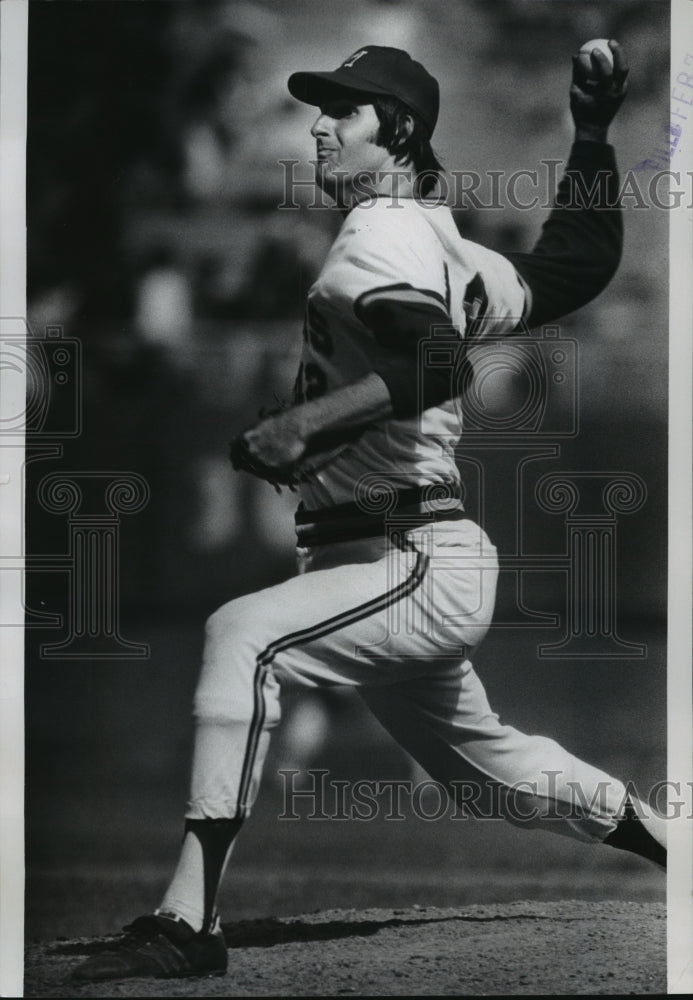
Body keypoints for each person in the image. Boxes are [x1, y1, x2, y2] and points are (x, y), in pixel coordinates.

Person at [73, 40, 666, 983]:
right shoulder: (441, 243)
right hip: (384, 556)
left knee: (242, 634)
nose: (318, 122)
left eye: (343, 111)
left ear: (397, 132)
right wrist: (589, 134)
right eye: (320, 106)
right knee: (486, 775)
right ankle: (674, 840)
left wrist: (303, 424)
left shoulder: (383, 231)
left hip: (409, 557)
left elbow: (437, 365)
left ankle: (187, 921)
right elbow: (577, 264)